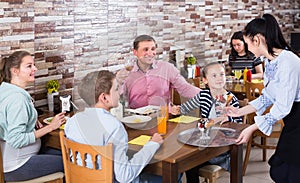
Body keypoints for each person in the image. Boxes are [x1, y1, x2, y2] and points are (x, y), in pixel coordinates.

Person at [226, 14, 300, 183]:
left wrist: (251, 128)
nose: (247, 48)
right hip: (293, 120)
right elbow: (267, 97)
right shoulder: (271, 61)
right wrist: (238, 112)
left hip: (297, 118)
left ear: (257, 40)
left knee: (286, 170)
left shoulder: (288, 62)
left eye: (247, 43)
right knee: (283, 170)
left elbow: (282, 106)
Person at [64, 70, 164, 183]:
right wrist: (152, 144)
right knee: (172, 175)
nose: (120, 92)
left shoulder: (72, 122)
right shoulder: (114, 127)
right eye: (116, 89)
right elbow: (124, 176)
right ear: (104, 98)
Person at [171, 62, 242, 183]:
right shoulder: (203, 95)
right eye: (214, 75)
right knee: (188, 164)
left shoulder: (231, 99)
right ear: (205, 80)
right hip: (204, 143)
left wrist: (228, 118)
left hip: (221, 148)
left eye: (222, 74)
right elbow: (185, 108)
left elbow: (239, 124)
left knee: (190, 161)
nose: (219, 78)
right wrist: (177, 109)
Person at [0, 51, 65, 181]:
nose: (35, 69)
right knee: (72, 162)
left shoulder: (5, 90)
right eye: (29, 66)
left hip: (9, 162)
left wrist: (30, 119)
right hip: (18, 166)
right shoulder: (17, 99)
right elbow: (16, 139)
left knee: (63, 153)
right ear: (15, 71)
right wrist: (50, 127)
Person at [117, 35, 200, 109]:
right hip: (136, 120)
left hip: (163, 118)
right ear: (135, 52)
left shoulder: (167, 68)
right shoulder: (126, 73)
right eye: (145, 50)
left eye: (153, 49)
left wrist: (207, 95)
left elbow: (185, 88)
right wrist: (118, 83)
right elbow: (120, 100)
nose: (150, 53)